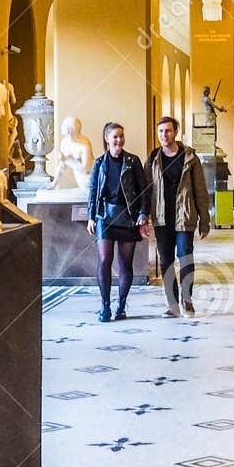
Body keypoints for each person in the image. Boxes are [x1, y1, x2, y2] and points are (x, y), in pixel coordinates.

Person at [146, 116, 210, 318]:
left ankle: (187, 300)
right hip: (162, 217)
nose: (164, 135)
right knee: (165, 261)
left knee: (186, 258)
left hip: (185, 216)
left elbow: (200, 190)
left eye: (168, 131)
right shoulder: (154, 158)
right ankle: (172, 304)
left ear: (176, 132)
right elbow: (147, 189)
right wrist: (144, 216)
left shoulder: (190, 157)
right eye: (161, 132)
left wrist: (204, 219)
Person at [86, 122, 149, 321]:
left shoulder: (133, 161)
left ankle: (121, 305)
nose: (119, 140)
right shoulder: (99, 163)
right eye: (115, 136)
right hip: (104, 217)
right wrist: (91, 216)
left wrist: (143, 214)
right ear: (107, 139)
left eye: (121, 136)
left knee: (125, 263)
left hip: (128, 216)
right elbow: (93, 191)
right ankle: (105, 305)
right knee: (104, 260)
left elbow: (143, 190)